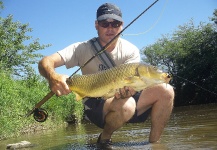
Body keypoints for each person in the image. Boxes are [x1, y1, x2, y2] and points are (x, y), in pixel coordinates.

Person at [38, 3, 174, 149]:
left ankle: (155, 144)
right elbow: (45, 62)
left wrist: (130, 90)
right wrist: (53, 76)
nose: (110, 28)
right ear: (96, 25)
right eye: (104, 23)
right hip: (95, 104)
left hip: (124, 99)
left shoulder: (131, 50)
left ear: (121, 25)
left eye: (115, 23)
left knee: (166, 91)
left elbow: (133, 87)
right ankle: (104, 139)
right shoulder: (81, 48)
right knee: (127, 105)